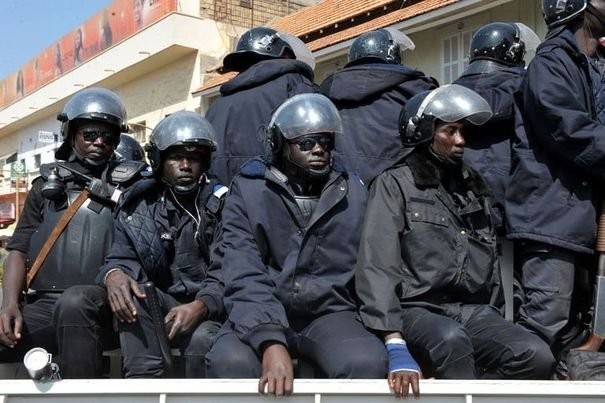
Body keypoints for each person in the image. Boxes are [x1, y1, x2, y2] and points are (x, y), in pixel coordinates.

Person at [355, 84, 555, 398]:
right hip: (416, 307)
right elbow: (376, 263)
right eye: (450, 131)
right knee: (451, 340)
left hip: (472, 311)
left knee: (535, 354)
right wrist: (393, 339)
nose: (461, 140)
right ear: (422, 132)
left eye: (462, 131)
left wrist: (498, 313)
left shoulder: (473, 187)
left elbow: (489, 262)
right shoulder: (395, 184)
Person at [205, 93, 387, 395]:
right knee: (230, 362)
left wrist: (393, 339)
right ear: (279, 144)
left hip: (329, 312)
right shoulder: (249, 190)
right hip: (259, 310)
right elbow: (242, 269)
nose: (318, 150)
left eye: (325, 143)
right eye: (306, 143)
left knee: (365, 362)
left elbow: (372, 266)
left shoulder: (353, 191)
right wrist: (270, 340)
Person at [67, 111, 227, 378]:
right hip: (156, 304)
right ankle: (143, 386)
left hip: (207, 308)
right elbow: (122, 256)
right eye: (176, 157)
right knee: (135, 291)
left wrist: (201, 306)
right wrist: (113, 274)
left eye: (195, 158)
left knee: (204, 342)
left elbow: (230, 268)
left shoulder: (223, 205)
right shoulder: (138, 204)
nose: (186, 165)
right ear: (159, 160)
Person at [0, 87, 146, 378]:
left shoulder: (132, 186)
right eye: (90, 134)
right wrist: (9, 305)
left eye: (109, 136)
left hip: (106, 304)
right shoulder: (45, 185)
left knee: (75, 303)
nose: (99, 142)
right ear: (71, 133)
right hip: (46, 302)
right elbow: (19, 248)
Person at [506, 0, 605, 366]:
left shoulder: (594, 64)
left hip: (581, 223)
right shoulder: (552, 63)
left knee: (577, 337)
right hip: (553, 223)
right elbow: (569, 130)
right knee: (544, 331)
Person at [320, 28, 438, 184]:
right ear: (394, 54)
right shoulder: (416, 89)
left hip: (343, 188)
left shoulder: (328, 91)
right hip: (397, 188)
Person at [206, 26, 319, 185]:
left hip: (227, 205)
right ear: (285, 54)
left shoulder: (216, 107)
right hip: (284, 201)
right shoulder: (296, 85)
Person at [453, 22, 539, 228]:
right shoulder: (530, 88)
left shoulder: (450, 96)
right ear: (514, 53)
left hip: (460, 210)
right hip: (518, 209)